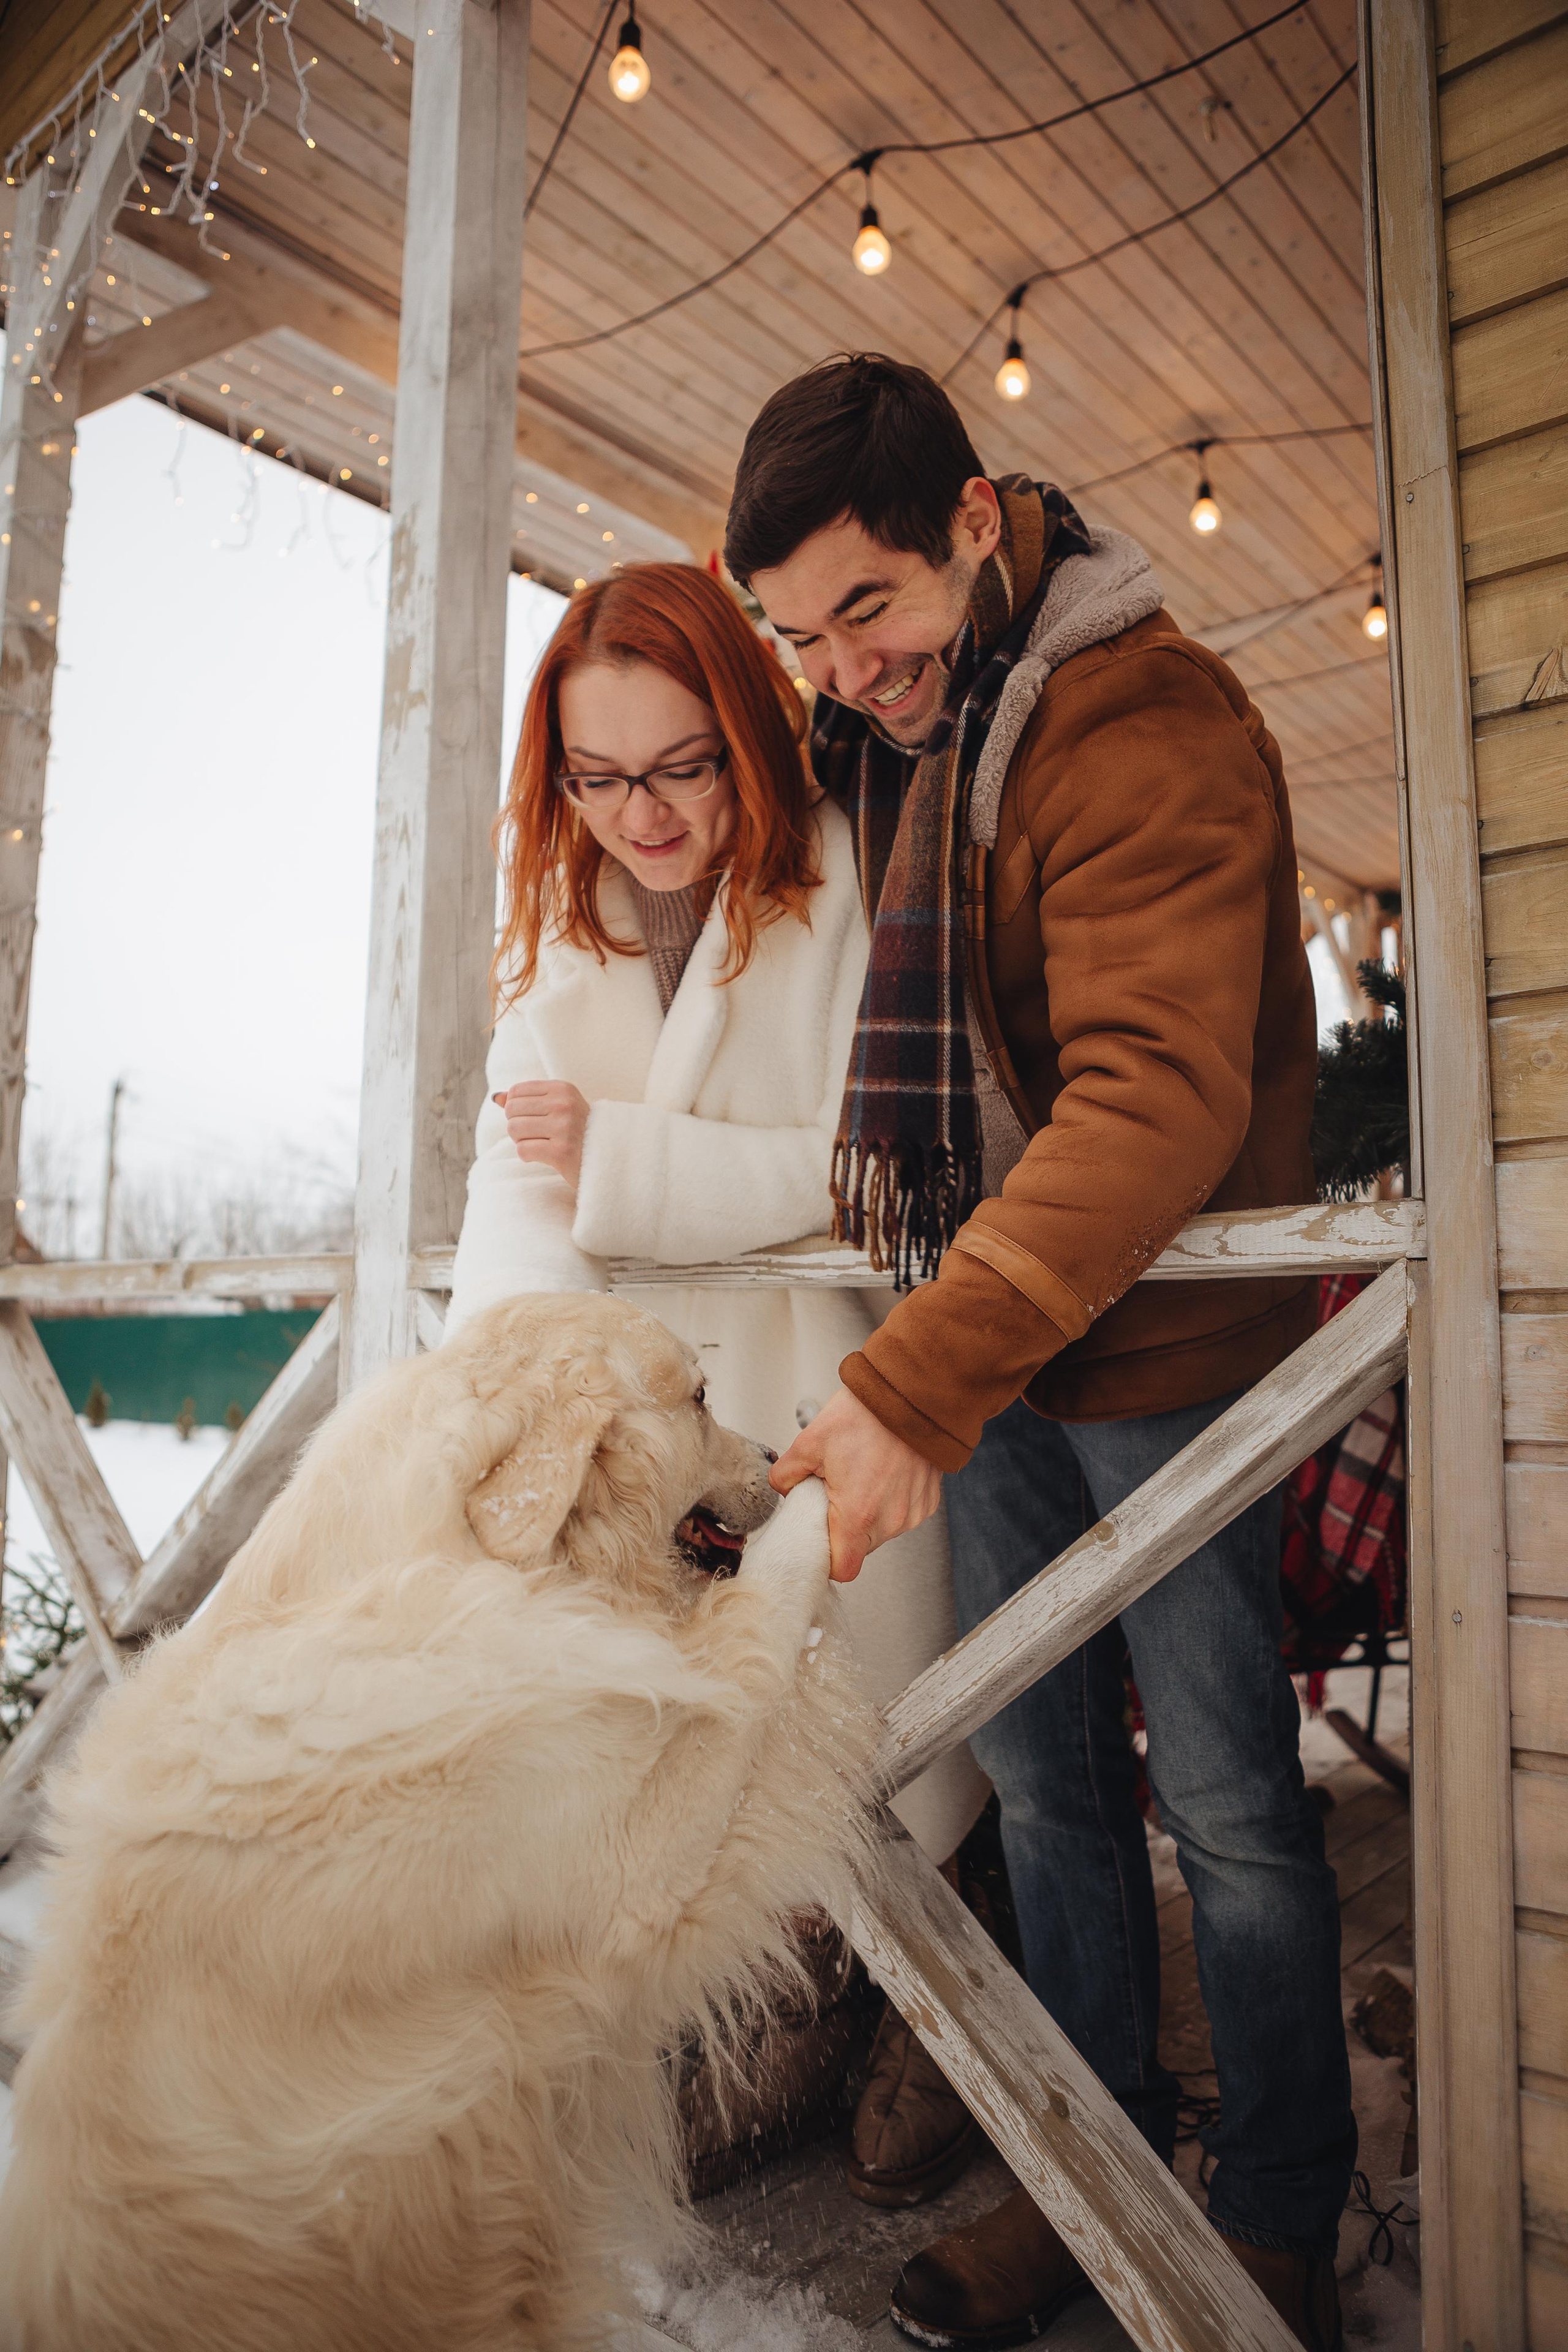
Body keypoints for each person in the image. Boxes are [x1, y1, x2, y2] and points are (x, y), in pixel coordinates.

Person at [725, 356, 1352, 2352]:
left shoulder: (1139, 717)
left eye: (872, 609)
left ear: (978, 523)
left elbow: (1157, 1095)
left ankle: (1272, 2209)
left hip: (1159, 1363)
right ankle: (1075, 2172)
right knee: (1045, 1786)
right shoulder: (906, 733)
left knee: (1235, 1803)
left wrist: (913, 1379)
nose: (845, 669)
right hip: (997, 1347)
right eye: (800, 635)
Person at [444, 561, 990, 2204]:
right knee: (699, 1754)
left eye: (679, 764)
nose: (644, 812)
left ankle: (933, 2008)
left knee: (895, 1725)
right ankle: (779, 2004)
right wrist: (507, 1410)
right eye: (602, 776)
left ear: (744, 731)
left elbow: (883, 1168)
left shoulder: (841, 874)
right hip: (658, 1436)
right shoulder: (554, 916)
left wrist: (633, 1166)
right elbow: (513, 1189)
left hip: (834, 1384)